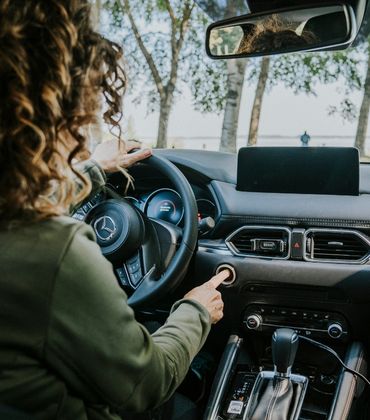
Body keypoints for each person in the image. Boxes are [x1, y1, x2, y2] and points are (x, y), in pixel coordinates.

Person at [0, 1, 226, 419]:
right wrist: (195, 309)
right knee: (193, 393)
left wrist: (91, 172)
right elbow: (146, 383)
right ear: (53, 107)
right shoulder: (56, 252)